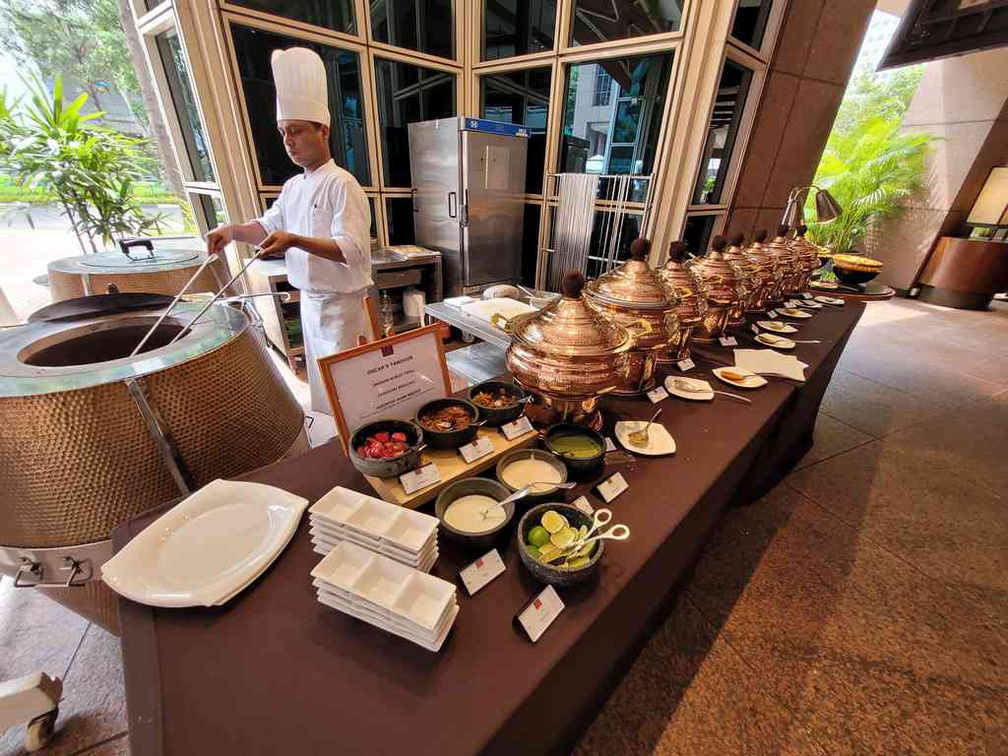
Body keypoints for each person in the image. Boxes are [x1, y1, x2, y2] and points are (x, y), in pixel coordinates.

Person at [206, 47, 372, 414]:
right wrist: (231, 231)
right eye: (283, 133)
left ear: (323, 130)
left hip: (343, 311)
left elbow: (353, 249)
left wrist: (295, 240)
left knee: (351, 394)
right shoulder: (293, 186)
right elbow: (266, 226)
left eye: (296, 131)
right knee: (323, 394)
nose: (288, 141)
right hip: (311, 304)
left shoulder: (342, 184)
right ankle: (332, 448)